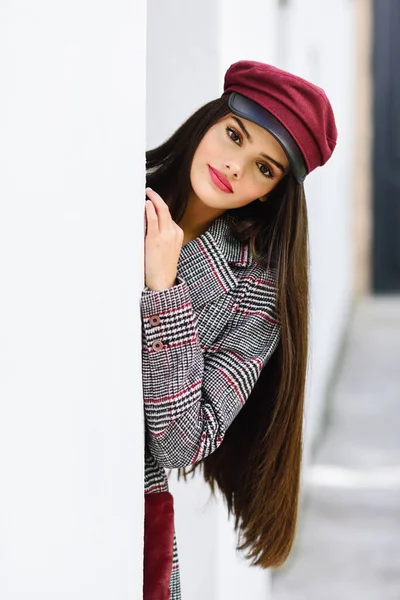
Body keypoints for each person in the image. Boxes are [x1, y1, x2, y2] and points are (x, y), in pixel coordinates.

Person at [141, 60, 337, 599]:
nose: (235, 167)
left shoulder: (257, 298)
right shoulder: (116, 195)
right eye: (234, 135)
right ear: (210, 121)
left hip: (127, 516)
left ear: (272, 192)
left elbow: (181, 447)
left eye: (264, 169)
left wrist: (166, 291)